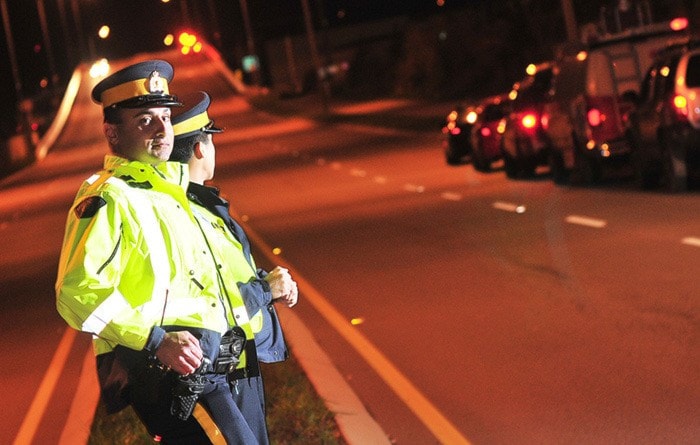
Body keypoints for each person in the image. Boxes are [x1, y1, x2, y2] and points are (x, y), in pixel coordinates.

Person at [55, 60, 262, 444]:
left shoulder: (170, 192)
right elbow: (75, 291)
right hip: (162, 371)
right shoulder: (109, 196)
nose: (162, 129)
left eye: (165, 117)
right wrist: (155, 340)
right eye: (145, 120)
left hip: (208, 366)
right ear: (112, 133)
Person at [169, 92, 299, 440]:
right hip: (218, 372)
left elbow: (223, 279)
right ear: (200, 148)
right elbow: (208, 302)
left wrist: (268, 283)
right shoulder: (185, 214)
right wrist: (265, 290)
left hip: (237, 362)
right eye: (211, 141)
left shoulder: (204, 206)